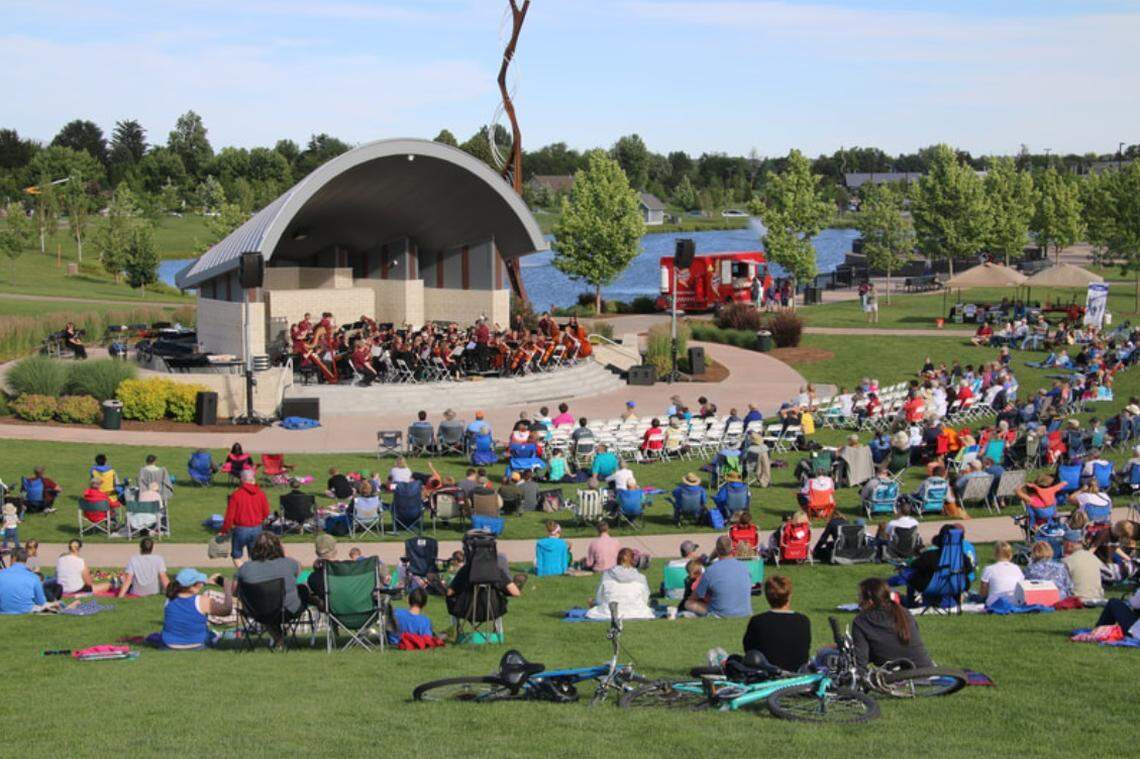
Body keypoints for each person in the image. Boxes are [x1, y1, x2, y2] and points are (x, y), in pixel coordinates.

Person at [235, 533, 304, 645]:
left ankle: (278, 638)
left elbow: (235, 592)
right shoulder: (290, 563)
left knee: (266, 604)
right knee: (301, 590)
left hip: (257, 612)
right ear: (279, 547)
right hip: (287, 611)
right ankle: (279, 638)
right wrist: (284, 554)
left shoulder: (245, 568)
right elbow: (298, 572)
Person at [852, 577, 932, 668]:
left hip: (897, 678)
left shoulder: (862, 622)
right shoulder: (904, 612)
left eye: (860, 597)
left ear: (870, 602)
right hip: (927, 671)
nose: (858, 602)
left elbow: (860, 664)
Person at [742, 575, 811, 672]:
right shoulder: (803, 621)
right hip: (796, 675)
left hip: (766, 675)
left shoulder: (757, 621)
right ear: (789, 595)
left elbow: (749, 650)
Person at [158, 569, 234, 650]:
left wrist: (205, 582)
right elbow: (227, 610)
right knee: (216, 634)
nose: (201, 584)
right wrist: (227, 588)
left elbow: (188, 590)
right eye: (199, 582)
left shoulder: (169, 599)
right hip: (197, 644)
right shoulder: (202, 601)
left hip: (169, 644)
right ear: (191, 586)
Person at [686, 536, 752, 618]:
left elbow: (695, 596)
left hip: (720, 613)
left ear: (716, 550)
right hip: (745, 612)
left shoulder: (710, 570)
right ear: (732, 548)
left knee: (688, 603)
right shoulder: (744, 567)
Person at [585, 548, 655, 621]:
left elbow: (599, 598)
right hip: (637, 612)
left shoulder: (606, 575)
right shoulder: (641, 578)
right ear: (632, 561)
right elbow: (645, 599)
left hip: (609, 613)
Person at [221, 469, 270, 566]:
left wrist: (224, 530)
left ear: (242, 480)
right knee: (255, 556)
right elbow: (266, 512)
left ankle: (244, 574)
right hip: (257, 528)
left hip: (241, 529)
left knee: (236, 555)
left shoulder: (236, 495)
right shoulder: (261, 494)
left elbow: (230, 516)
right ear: (253, 480)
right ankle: (254, 576)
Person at [0, 548, 50, 614]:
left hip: (3, 610)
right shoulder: (34, 577)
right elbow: (41, 602)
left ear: (13, 558)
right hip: (28, 610)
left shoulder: (2, 574)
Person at [1062, 529, 1105, 602]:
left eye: (1062, 543)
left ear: (1068, 544)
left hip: (1077, 598)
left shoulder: (1066, 561)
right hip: (1097, 597)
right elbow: (1107, 575)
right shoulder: (1094, 558)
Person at [979, 541, 1024, 606]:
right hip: (1014, 601)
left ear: (995, 554)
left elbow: (983, 592)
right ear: (1010, 555)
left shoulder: (989, 569)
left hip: (994, 602)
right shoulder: (1017, 568)